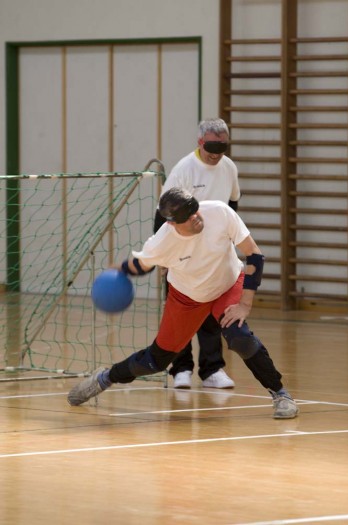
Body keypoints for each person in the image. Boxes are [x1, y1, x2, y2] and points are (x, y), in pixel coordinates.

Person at [68, 188, 299, 419]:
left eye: (195, 210)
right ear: (171, 223)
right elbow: (142, 265)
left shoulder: (219, 212)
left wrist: (245, 304)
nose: (195, 217)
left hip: (228, 284)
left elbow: (254, 255)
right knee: (155, 361)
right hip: (187, 296)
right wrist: (121, 269)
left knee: (239, 337)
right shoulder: (161, 243)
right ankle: (105, 378)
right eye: (187, 218)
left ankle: (281, 394)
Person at [153, 118, 240, 390]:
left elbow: (233, 205)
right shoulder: (184, 170)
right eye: (211, 146)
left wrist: (232, 242)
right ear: (200, 143)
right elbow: (163, 214)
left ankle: (212, 369)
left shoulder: (228, 168)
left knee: (212, 313)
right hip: (183, 252)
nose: (216, 153)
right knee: (180, 312)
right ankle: (180, 369)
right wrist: (163, 256)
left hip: (214, 254)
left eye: (222, 147)